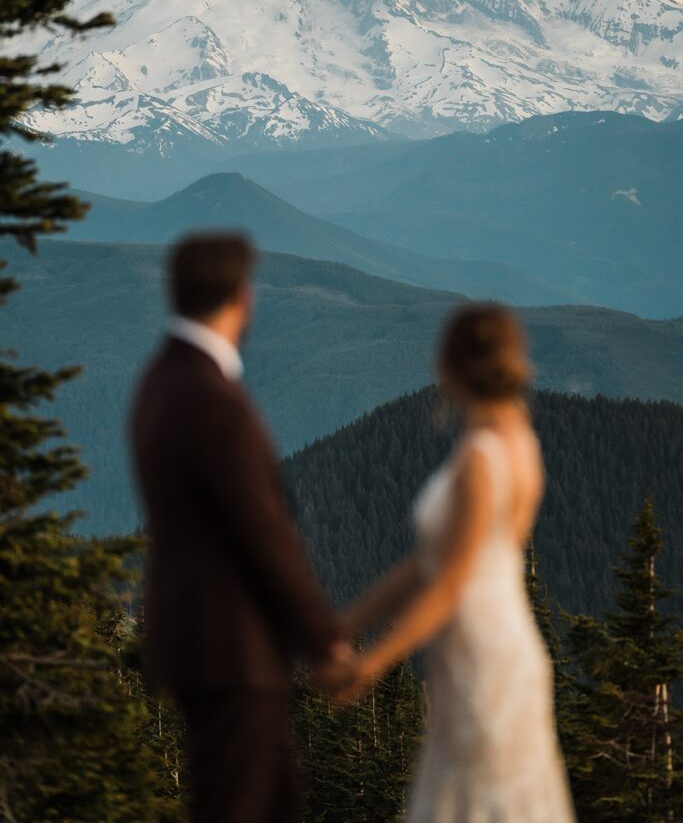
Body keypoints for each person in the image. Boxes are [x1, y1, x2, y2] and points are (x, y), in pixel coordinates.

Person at [129, 232, 353, 823]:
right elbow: (263, 532)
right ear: (242, 297)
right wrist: (325, 640)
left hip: (197, 638)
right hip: (232, 644)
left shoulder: (161, 379)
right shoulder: (212, 399)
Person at [337, 304, 576, 822]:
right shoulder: (522, 444)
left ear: (448, 367)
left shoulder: (480, 457)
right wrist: (348, 625)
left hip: (478, 655)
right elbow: (434, 564)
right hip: (505, 642)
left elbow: (448, 582)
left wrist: (371, 663)